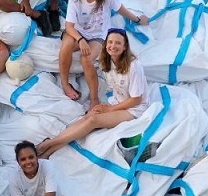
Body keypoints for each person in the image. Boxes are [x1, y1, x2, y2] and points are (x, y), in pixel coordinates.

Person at [38, 28, 149, 158]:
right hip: (118, 103)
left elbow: (136, 99)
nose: (113, 46)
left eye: (118, 43)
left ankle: (49, 144)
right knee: (87, 117)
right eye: (110, 42)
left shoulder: (133, 66)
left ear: (125, 47)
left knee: (93, 121)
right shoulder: (107, 61)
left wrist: (110, 109)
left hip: (134, 109)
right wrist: (106, 106)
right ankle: (49, 150)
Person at [59, 0, 148, 104]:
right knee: (66, 47)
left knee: (86, 59)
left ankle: (94, 99)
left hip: (98, 36)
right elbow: (69, 26)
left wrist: (137, 19)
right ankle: (65, 84)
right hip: (78, 33)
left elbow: (121, 10)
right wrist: (80, 39)